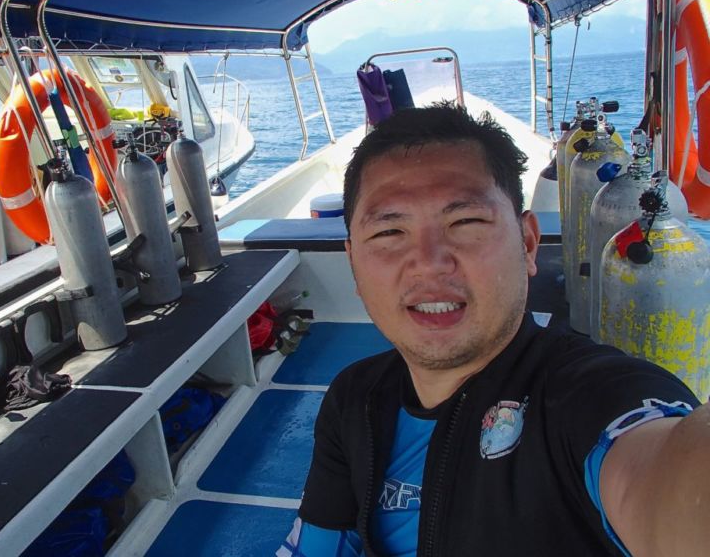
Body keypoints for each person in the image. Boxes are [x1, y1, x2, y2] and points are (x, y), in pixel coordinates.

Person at [277, 102, 708, 557]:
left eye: (465, 222)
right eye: (389, 233)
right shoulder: (355, 398)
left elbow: (667, 482)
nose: (428, 261)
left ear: (526, 244)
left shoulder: (584, 396)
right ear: (354, 263)